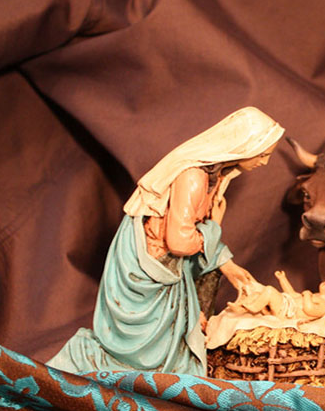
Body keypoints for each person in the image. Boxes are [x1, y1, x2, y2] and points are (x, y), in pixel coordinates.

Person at [48, 107, 284, 375]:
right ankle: (95, 368)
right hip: (150, 262)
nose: (264, 162)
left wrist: (226, 263)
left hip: (168, 263)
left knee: (171, 336)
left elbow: (194, 232)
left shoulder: (215, 177)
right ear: (244, 146)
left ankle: (158, 376)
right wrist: (213, 230)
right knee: (144, 347)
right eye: (262, 154)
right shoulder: (193, 177)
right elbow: (180, 242)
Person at [240, 271, 325, 324]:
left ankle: (254, 307)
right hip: (286, 304)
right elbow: (292, 294)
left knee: (269, 291)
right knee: (258, 294)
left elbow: (309, 309)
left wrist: (307, 295)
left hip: (287, 312)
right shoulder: (315, 296)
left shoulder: (324, 306)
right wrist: (282, 279)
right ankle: (240, 306)